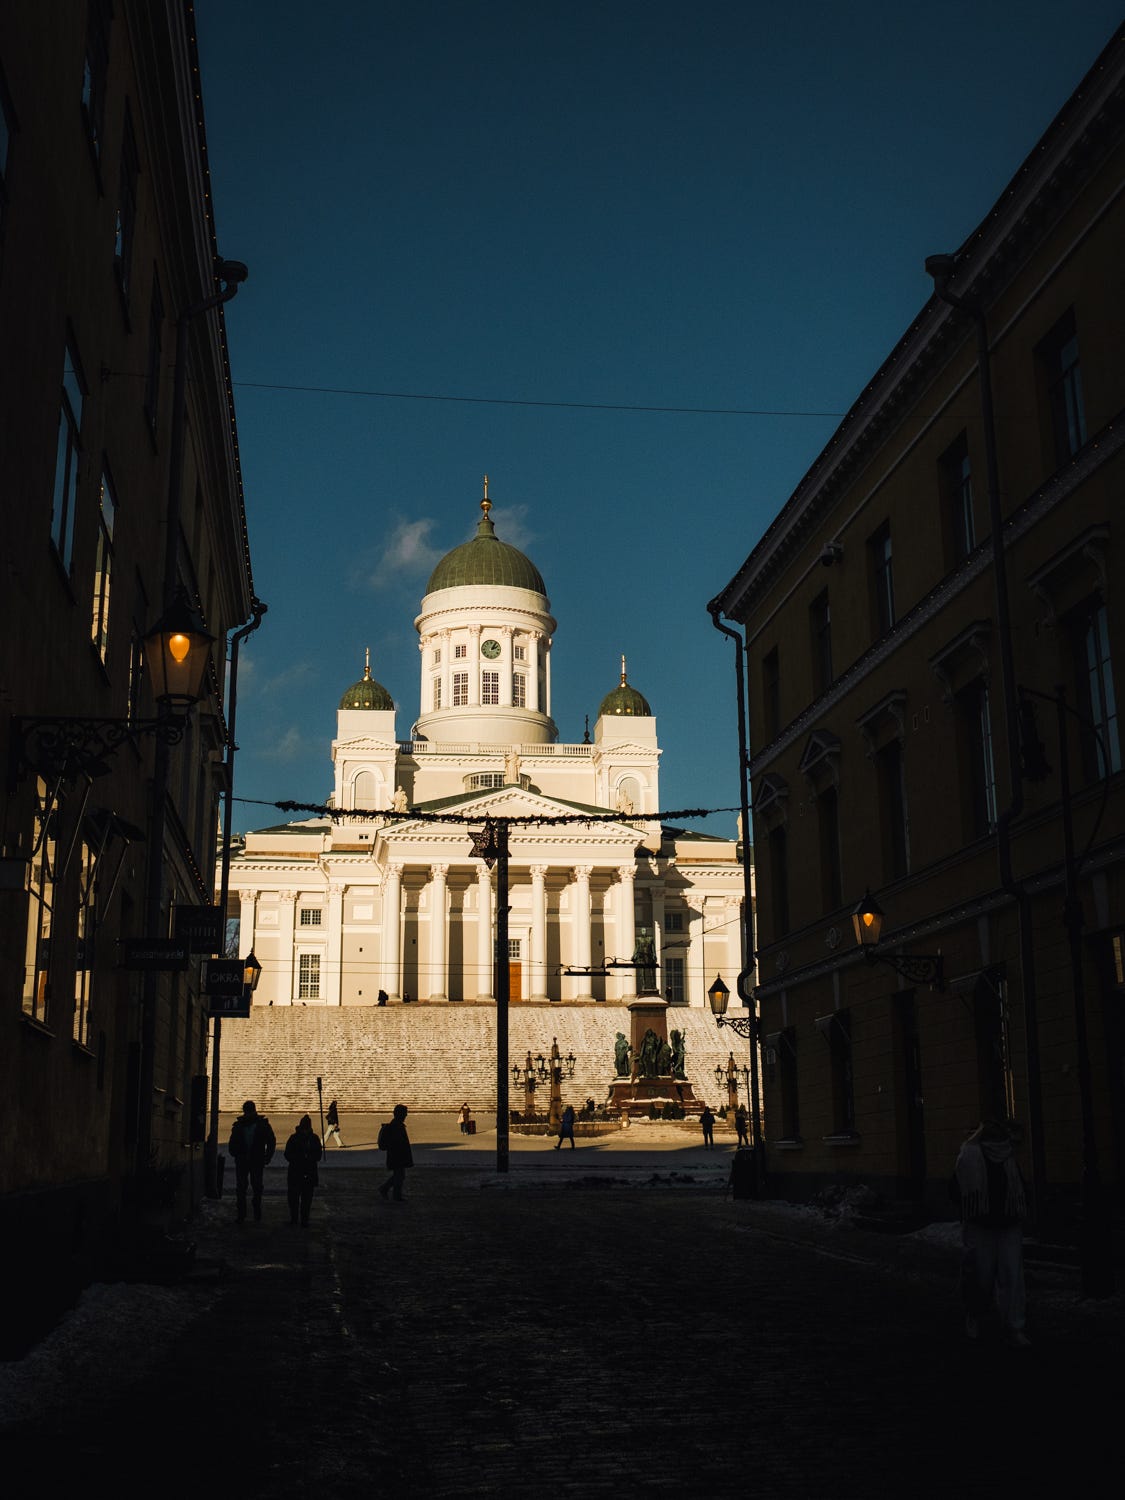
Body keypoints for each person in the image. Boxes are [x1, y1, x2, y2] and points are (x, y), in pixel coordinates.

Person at [953, 1120, 1030, 1346]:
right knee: (984, 1276)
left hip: (1001, 1224)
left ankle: (1011, 1324)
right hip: (985, 1225)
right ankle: (982, 1317)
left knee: (1006, 1276)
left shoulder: (992, 1157)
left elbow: (957, 1191)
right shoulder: (973, 1157)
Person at [227, 1100, 276, 1222]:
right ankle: (249, 1214)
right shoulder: (258, 1124)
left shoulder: (246, 1125)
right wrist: (267, 1156)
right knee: (248, 1187)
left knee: (252, 1187)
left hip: (251, 1160)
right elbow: (271, 1141)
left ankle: (250, 1214)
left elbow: (271, 1141)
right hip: (249, 1160)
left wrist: (267, 1156)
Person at [284, 1114, 323, 1226]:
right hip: (297, 1172)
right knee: (295, 1199)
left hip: (305, 1173)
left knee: (305, 1199)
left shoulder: (312, 1138)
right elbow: (287, 1154)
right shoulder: (296, 1138)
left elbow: (318, 1155)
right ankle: (295, 1218)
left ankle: (303, 1219)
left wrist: (308, 1158)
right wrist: (299, 1159)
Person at [378, 1103, 413, 1201]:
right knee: (399, 1176)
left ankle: (387, 1190)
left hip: (396, 1155)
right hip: (397, 1155)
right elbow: (398, 1142)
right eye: (405, 1113)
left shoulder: (396, 1124)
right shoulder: (396, 1126)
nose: (406, 1115)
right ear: (400, 1114)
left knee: (399, 1175)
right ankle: (393, 1194)